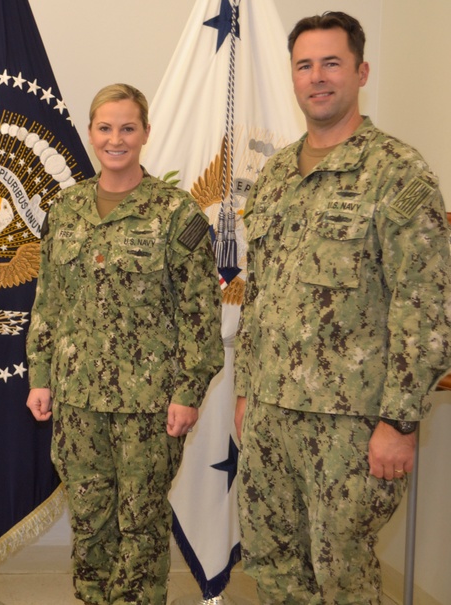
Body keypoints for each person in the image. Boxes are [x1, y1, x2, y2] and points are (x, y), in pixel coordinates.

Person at [234, 11, 451, 604]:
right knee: (275, 570)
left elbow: (426, 307)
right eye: (305, 65)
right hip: (271, 415)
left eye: (332, 62)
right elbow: (261, 296)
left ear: (361, 71)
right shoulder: (276, 174)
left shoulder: (398, 173)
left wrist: (400, 423)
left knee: (344, 581)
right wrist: (247, 391)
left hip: (351, 428)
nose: (317, 77)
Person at [26, 83, 223, 605]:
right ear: (91, 133)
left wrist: (188, 391)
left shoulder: (176, 214)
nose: (116, 139)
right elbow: (49, 303)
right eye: (106, 128)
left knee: (141, 526)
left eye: (128, 128)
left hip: (149, 406)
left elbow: (201, 313)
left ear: (146, 134)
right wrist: (40, 377)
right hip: (77, 400)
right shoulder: (65, 210)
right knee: (90, 524)